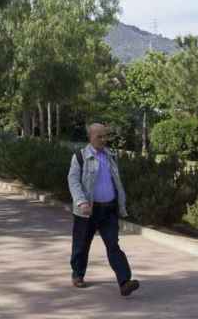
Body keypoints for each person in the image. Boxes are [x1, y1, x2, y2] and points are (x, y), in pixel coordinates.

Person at [67, 122, 140, 297]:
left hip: (109, 210)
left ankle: (124, 282)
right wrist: (81, 202)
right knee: (81, 245)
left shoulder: (111, 156)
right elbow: (73, 181)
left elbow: (116, 182)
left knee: (113, 245)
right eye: (99, 136)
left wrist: (120, 203)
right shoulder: (80, 157)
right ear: (90, 137)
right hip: (88, 210)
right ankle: (78, 274)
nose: (103, 139)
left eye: (105, 136)